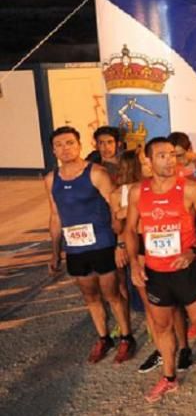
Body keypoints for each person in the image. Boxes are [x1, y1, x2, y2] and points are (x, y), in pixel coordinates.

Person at [125, 138, 196, 402]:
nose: (170, 160)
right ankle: (169, 378)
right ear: (148, 160)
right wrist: (135, 261)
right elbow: (130, 229)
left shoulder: (190, 189)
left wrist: (195, 249)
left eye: (172, 155)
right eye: (162, 156)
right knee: (162, 326)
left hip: (185, 270)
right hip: (156, 272)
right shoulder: (138, 191)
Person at [46, 126, 135, 364]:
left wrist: (120, 244)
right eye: (60, 145)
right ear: (53, 150)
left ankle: (126, 337)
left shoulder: (96, 173)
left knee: (112, 294)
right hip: (75, 248)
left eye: (70, 143)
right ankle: (103, 337)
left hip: (103, 243)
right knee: (90, 296)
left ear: (79, 146)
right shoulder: (51, 178)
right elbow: (55, 216)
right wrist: (55, 252)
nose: (65, 149)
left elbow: (116, 209)